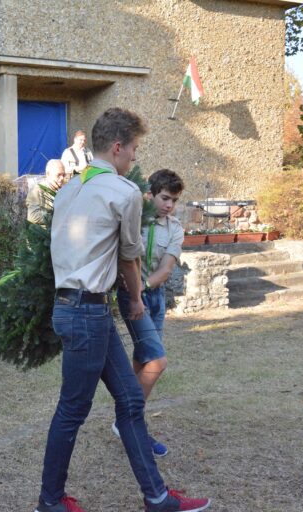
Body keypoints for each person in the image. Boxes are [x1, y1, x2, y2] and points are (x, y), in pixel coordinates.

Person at [36, 109, 210, 512]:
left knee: (130, 399)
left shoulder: (68, 189)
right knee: (72, 410)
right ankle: (49, 502)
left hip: (75, 309)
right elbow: (130, 258)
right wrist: (134, 300)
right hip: (87, 314)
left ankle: (157, 497)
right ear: (117, 147)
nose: (134, 157)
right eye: (133, 149)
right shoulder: (124, 191)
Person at [113, 169, 185, 458]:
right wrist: (134, 293)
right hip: (132, 297)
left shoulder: (175, 228)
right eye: (165, 198)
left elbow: (166, 269)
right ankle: (129, 423)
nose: (169, 205)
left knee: (143, 358)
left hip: (155, 298)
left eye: (174, 201)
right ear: (150, 194)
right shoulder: (134, 219)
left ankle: (126, 420)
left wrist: (143, 287)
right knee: (157, 361)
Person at [27, 159, 66, 225]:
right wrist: (57, 217)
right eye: (58, 175)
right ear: (48, 174)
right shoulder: (37, 190)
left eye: (63, 175)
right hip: (45, 230)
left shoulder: (65, 189)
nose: (62, 178)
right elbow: (33, 216)